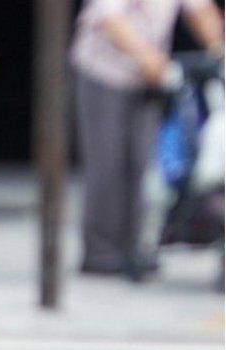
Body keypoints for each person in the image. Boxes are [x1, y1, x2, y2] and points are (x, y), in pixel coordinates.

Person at [69, 0, 225, 275]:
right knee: (108, 162)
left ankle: (135, 248)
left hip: (146, 78)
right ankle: (102, 253)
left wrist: (218, 52)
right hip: (104, 71)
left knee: (143, 165)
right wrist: (149, 59)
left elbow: (201, 11)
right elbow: (110, 19)